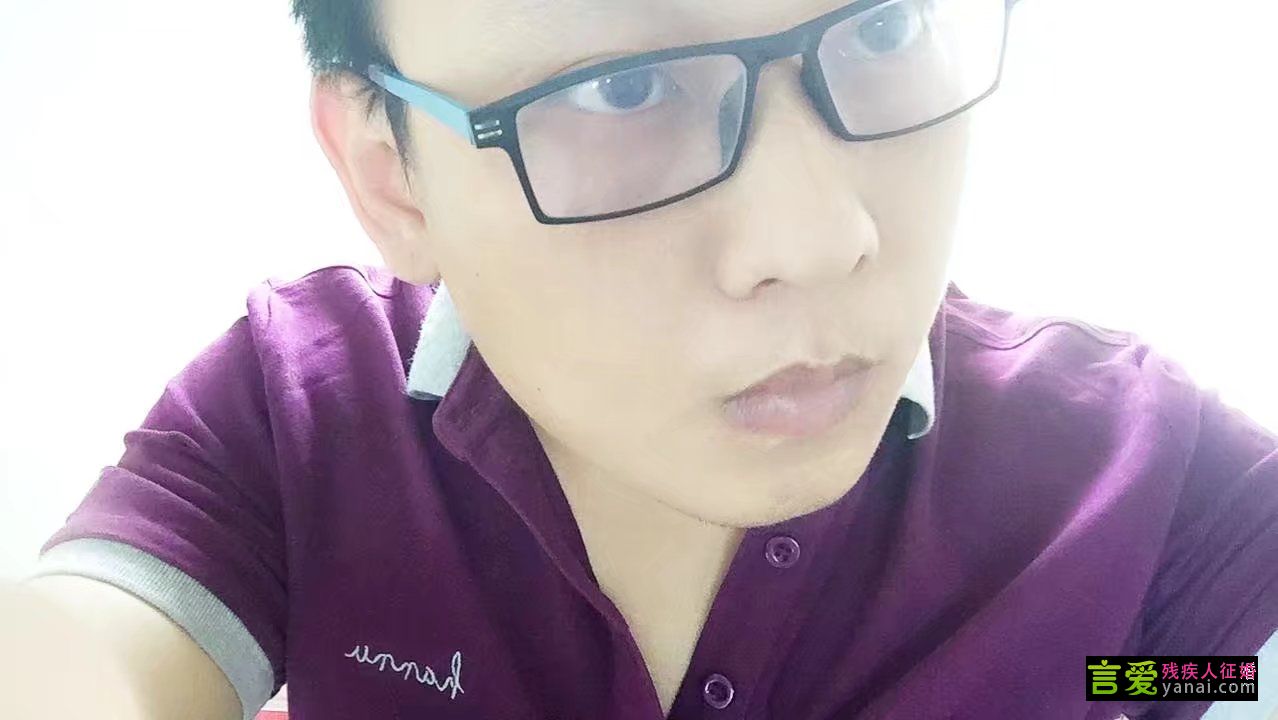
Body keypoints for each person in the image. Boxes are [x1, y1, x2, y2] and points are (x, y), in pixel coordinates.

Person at [3, 0, 1275, 718]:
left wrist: (1107, 680)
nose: (823, 237)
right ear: (394, 176)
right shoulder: (303, 418)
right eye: (620, 93)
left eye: (886, 28)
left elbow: (1202, 672)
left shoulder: (1140, 482)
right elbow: (84, 662)